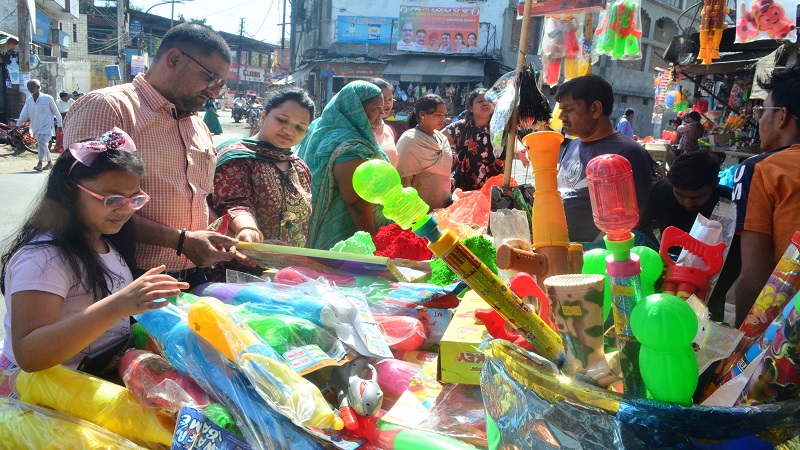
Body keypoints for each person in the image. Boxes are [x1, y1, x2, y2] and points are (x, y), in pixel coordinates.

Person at [0, 129, 187, 392]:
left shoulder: (103, 241)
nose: (125, 210)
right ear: (69, 191)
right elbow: (29, 355)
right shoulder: (43, 259)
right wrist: (118, 306)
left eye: (134, 199)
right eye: (112, 199)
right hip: (44, 395)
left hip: (91, 381)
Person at [63, 23, 239, 286]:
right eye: (209, 77)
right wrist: (180, 241)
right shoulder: (110, 108)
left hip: (192, 279)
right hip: (124, 280)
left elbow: (197, 200)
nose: (214, 91)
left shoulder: (199, 126)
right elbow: (86, 203)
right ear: (174, 59)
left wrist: (233, 235)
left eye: (220, 83)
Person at [732, 64, 800, 326]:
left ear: (782, 116)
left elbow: (754, 279)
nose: (758, 120)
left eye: (762, 111)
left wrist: (739, 352)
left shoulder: (760, 169)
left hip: (786, 329)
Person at [637, 152, 740, 323]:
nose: (688, 203)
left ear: (714, 184)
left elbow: (735, 254)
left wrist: (715, 285)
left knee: (708, 319)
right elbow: (641, 229)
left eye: (698, 196)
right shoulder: (660, 192)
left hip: (711, 273)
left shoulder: (727, 204)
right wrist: (657, 257)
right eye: (680, 195)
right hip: (668, 267)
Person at [555, 75, 655, 243]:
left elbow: (630, 222)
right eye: (561, 110)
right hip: (560, 244)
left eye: (569, 109)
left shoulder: (627, 153)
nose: (561, 117)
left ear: (595, 108)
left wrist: (594, 253)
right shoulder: (572, 145)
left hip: (593, 255)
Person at [213, 87, 315, 249]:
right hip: (240, 263)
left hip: (287, 268)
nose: (289, 131)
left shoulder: (300, 168)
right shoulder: (238, 157)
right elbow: (234, 203)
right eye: (282, 120)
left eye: (299, 127)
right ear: (263, 115)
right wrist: (247, 229)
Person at [296, 80, 390, 250]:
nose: (382, 114)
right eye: (376, 109)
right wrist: (372, 245)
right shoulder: (350, 148)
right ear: (357, 109)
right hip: (345, 234)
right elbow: (357, 204)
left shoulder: (322, 126)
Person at [396, 94, 453, 209]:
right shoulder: (410, 140)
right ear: (422, 115)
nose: (442, 119)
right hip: (419, 210)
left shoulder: (441, 137)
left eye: (444, 115)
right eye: (437, 115)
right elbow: (403, 180)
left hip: (443, 205)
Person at [445, 88, 505, 191]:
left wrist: (520, 150)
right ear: (471, 107)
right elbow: (437, 140)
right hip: (464, 187)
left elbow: (511, 142)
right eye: (480, 101)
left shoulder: (498, 128)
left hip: (493, 187)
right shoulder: (460, 127)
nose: (485, 103)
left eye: (488, 100)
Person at [18, 79, 62, 171]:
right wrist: (17, 126)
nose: (30, 89)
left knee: (41, 142)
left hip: (47, 126)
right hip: (35, 127)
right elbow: (24, 114)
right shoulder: (29, 101)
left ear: (38, 87)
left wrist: (60, 126)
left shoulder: (48, 98)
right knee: (42, 145)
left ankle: (40, 163)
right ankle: (50, 162)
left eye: (32, 87)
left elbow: (56, 113)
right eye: (29, 88)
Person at [368, 78, 399, 167]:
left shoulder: (387, 130)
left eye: (390, 99)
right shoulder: (357, 131)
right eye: (383, 99)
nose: (388, 104)